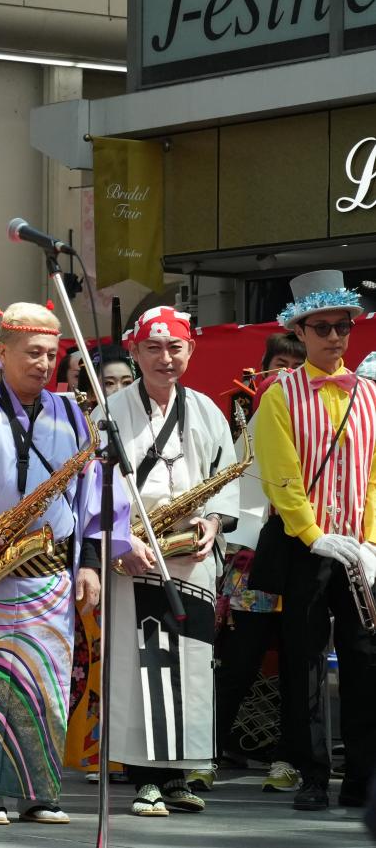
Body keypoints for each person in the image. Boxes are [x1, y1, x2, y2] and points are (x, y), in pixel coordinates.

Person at [0, 296, 126, 826]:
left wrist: (90, 564)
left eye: (50, 354)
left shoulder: (73, 414)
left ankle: (39, 792)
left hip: (52, 571)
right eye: (32, 352)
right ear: (2, 352)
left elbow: (92, 498)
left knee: (46, 682)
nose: (43, 363)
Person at [104, 306, 237, 817]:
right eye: (153, 348)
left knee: (192, 666)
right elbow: (95, 484)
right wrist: (120, 537)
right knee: (143, 664)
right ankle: (145, 779)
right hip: (134, 553)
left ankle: (180, 774)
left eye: (175, 347)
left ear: (191, 350)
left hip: (191, 553)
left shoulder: (206, 410)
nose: (165, 358)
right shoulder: (111, 411)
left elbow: (227, 481)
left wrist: (214, 523)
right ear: (135, 352)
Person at [252, 270, 376, 812]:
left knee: (364, 659)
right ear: (299, 332)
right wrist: (312, 532)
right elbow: (280, 474)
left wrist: (372, 541)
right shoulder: (279, 395)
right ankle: (312, 775)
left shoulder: (370, 394)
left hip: (359, 550)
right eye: (321, 327)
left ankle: (361, 777)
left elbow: (375, 476)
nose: (334, 337)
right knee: (303, 661)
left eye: (342, 326)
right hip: (307, 547)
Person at [205, 331, 306, 794]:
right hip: (253, 565)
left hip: (305, 559)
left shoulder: (316, 416)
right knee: (239, 663)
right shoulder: (249, 421)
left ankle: (288, 760)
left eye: (296, 365)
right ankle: (204, 753)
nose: (287, 373)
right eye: (280, 363)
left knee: (297, 667)